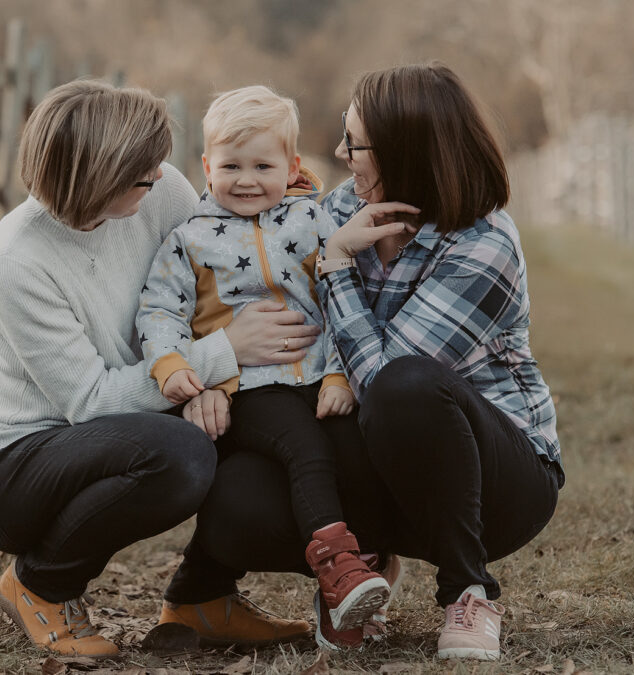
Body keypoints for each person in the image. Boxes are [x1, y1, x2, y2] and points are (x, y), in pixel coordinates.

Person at [161, 62, 564, 661]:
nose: (339, 152)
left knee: (407, 387)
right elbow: (236, 244)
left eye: (353, 141)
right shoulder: (345, 204)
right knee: (235, 502)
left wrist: (337, 266)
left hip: (495, 481)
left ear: (404, 152)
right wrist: (213, 370)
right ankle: (359, 561)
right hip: (383, 459)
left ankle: (468, 590)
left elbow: (382, 382)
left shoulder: (483, 244)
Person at [0, 79, 321, 657]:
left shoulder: (159, 187)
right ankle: (41, 584)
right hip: (20, 467)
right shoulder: (17, 260)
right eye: (143, 176)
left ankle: (202, 596)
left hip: (151, 406)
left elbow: (212, 273)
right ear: (99, 178)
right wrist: (223, 352)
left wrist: (212, 386)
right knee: (180, 455)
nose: (161, 181)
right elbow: (90, 401)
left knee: (260, 418)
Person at [137, 86, 389, 636]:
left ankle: (356, 579)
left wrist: (342, 373)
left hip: (320, 377)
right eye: (231, 165)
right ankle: (337, 571)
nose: (246, 179)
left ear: (292, 166)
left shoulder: (312, 222)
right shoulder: (189, 240)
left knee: (353, 449)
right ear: (206, 166)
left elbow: (346, 303)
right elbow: (159, 312)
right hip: (249, 389)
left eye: (262, 165)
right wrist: (175, 367)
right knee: (307, 449)